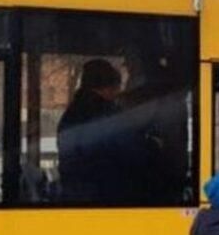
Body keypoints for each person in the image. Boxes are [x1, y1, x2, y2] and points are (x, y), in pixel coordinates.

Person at [57, 58, 155, 204]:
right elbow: (135, 153)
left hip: (75, 197)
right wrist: (153, 145)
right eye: (118, 87)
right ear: (109, 87)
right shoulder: (108, 115)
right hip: (108, 197)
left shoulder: (70, 114)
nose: (119, 93)